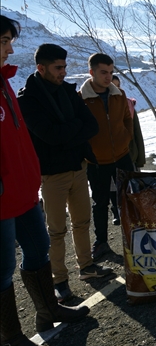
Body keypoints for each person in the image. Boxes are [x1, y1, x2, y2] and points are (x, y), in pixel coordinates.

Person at [1, 15, 89, 346]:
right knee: (2, 268)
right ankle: (9, 342)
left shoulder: (4, 82)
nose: (10, 47)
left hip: (23, 191)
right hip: (3, 197)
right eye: (4, 40)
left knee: (38, 250)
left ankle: (48, 310)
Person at [17, 44, 112, 303]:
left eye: (64, 67)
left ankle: (87, 267)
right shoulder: (27, 100)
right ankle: (59, 279)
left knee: (82, 222)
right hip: (51, 175)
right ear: (41, 68)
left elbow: (90, 126)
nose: (63, 72)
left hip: (78, 168)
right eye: (58, 68)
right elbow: (49, 135)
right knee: (56, 230)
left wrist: (66, 134)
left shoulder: (68, 92)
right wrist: (73, 130)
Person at [80, 53, 134, 260]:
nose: (108, 77)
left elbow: (127, 119)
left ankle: (136, 236)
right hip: (97, 161)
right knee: (100, 203)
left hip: (122, 156)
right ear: (91, 72)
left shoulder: (118, 94)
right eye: (103, 72)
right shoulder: (80, 98)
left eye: (111, 72)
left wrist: (126, 138)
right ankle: (101, 242)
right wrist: (88, 152)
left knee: (129, 198)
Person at [108, 74, 145, 225]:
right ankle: (116, 211)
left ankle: (133, 210)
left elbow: (137, 133)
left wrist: (140, 157)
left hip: (130, 153)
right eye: (112, 86)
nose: (115, 89)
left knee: (131, 183)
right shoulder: (100, 106)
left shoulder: (128, 105)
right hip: (109, 154)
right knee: (112, 185)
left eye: (118, 86)